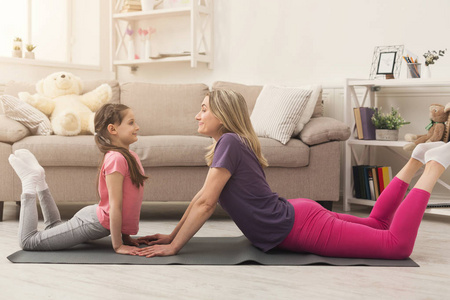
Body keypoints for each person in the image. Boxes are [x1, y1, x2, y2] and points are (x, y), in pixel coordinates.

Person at [136, 89, 449, 259]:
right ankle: (416, 160)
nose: (197, 114)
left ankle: (434, 165)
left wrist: (174, 248)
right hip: (299, 217)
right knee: (377, 224)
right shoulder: (228, 143)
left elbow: (205, 205)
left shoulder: (229, 142)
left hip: (299, 227)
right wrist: (173, 235)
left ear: (223, 115)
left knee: (396, 245)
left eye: (204, 108)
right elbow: (201, 199)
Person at [8, 103, 147, 255]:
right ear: (112, 129)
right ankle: (29, 182)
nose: (137, 127)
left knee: (54, 228)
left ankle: (40, 179)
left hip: (95, 216)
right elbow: (115, 206)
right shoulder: (116, 159)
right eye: (131, 122)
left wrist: (126, 238)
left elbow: (129, 202)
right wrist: (118, 246)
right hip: (92, 222)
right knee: (29, 241)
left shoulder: (130, 156)